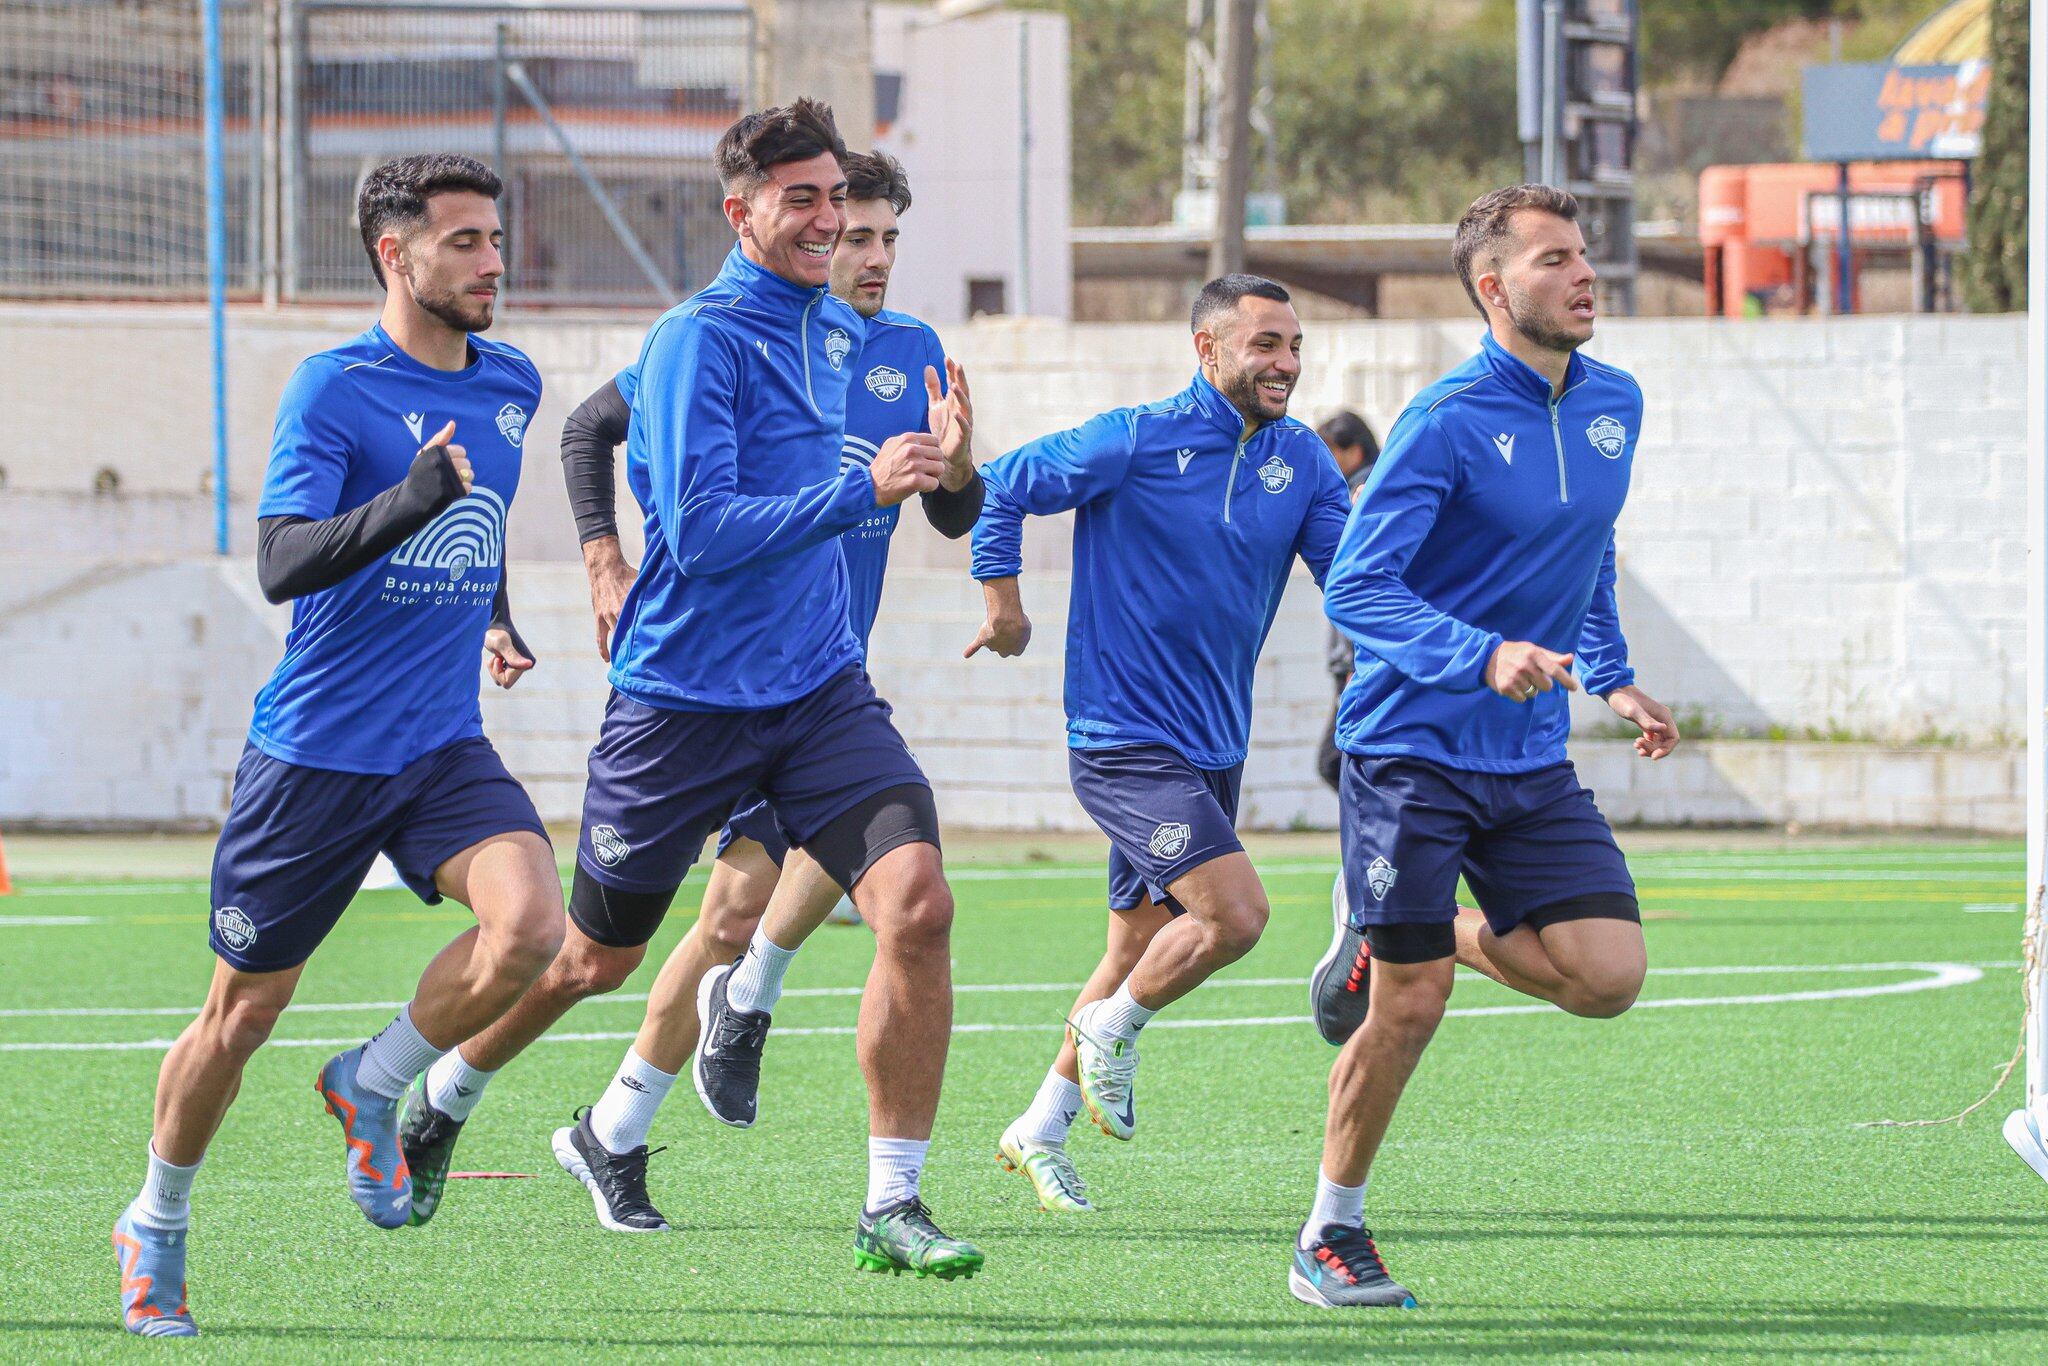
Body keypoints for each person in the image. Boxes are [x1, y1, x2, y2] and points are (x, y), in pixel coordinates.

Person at [403, 101, 986, 1280]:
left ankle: (891, 1202)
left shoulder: (858, 336)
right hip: (683, 702)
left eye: (848, 206)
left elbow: (937, 501)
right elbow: (708, 533)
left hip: (821, 690)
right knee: (594, 958)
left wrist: (953, 471)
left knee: (917, 903)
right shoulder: (694, 343)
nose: (835, 227)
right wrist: (609, 552)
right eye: (807, 203)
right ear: (743, 212)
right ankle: (444, 1091)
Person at [112, 154, 562, 1337]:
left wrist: (498, 612)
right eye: (461, 241)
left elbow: (482, 509)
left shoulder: (511, 381)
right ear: (394, 254)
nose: (490, 261)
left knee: (532, 926)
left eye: (493, 238)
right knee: (240, 1019)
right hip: (315, 754)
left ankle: (370, 1078)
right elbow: (280, 562)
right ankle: (155, 1221)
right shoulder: (332, 390)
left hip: (439, 744)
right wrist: (402, 503)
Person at [1291, 184, 1679, 1310]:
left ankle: (1414, 931)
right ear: (1492, 287)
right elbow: (1358, 585)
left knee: (1607, 978)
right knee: (1405, 1007)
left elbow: (1584, 548)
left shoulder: (1616, 403)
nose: (1582, 274)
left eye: (1584, 256)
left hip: (1528, 754)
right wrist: (1475, 654)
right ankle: (1329, 1233)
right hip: (1408, 748)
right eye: (1554, 259)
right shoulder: (1444, 419)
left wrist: (1608, 672)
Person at [966, 274, 1351, 1214]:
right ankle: (1116, 1030)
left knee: (1136, 943)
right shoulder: (1133, 438)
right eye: (1265, 344)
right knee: (1236, 917)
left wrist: (1448, 643)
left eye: (1294, 346)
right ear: (1208, 348)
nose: (1286, 365)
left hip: (1215, 745)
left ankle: (1040, 1127)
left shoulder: (1301, 461)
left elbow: (1356, 576)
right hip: (1122, 735)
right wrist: (1004, 605)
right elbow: (1003, 486)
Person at [1314, 411, 1379, 793]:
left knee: (1338, 761)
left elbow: (1368, 582)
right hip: (1356, 660)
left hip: (1360, 660)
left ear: (1352, 452)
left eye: (1329, 452)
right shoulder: (1363, 488)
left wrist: (1360, 658)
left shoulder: (1362, 492)